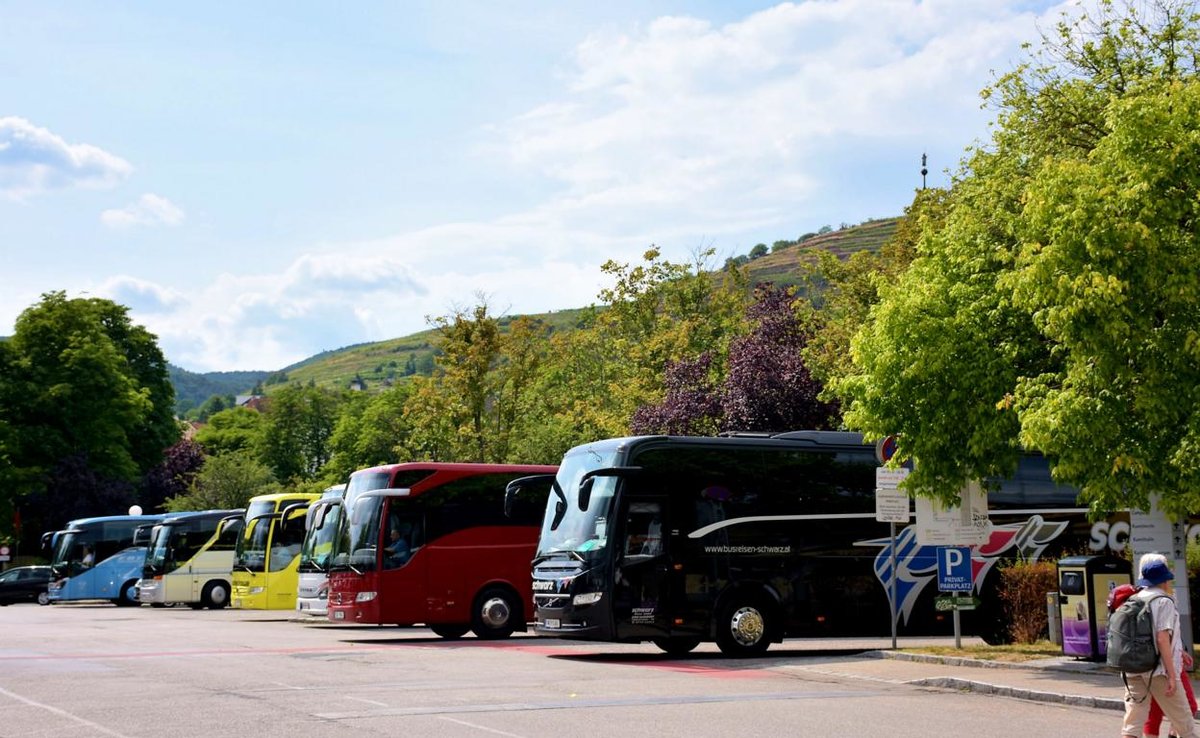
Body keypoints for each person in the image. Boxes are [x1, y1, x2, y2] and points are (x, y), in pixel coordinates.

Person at [1119, 553, 1197, 738]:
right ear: (1164, 580)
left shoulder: (1133, 599)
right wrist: (1171, 674)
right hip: (1158, 670)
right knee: (1185, 725)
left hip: (1132, 670)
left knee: (1132, 725)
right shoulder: (1163, 601)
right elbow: (1162, 638)